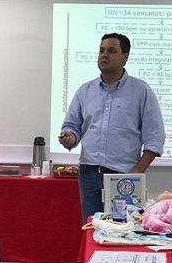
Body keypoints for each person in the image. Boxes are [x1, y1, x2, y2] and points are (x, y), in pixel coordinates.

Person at [59, 33, 165, 223]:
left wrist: (137, 172)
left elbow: (155, 137)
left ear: (125, 56)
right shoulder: (85, 90)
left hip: (124, 175)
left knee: (122, 229)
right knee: (91, 228)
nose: (104, 55)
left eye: (111, 51)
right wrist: (70, 137)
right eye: (101, 50)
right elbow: (72, 127)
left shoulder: (141, 91)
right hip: (89, 173)